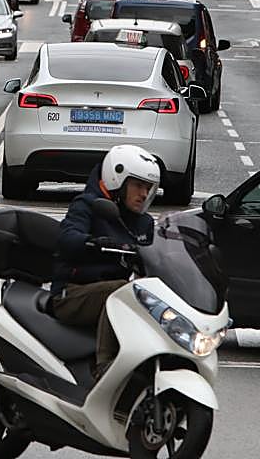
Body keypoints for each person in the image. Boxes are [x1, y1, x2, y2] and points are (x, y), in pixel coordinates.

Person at [51, 145, 158, 378]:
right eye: (138, 185)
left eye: (148, 188)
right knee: (122, 293)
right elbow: (66, 238)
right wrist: (95, 243)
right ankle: (105, 366)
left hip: (114, 292)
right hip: (72, 292)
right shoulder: (87, 205)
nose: (143, 194)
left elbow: (153, 257)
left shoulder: (145, 223)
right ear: (116, 179)